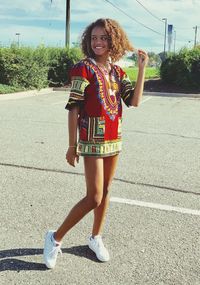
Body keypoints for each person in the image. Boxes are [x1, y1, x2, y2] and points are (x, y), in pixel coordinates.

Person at [43, 18, 148, 269]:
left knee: (107, 191)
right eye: (94, 38)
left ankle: (95, 237)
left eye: (103, 38)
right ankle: (55, 238)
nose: (98, 42)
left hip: (114, 137)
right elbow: (73, 109)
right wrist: (72, 145)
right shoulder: (83, 69)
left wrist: (142, 68)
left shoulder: (117, 72)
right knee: (94, 197)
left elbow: (133, 102)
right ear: (88, 42)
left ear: (113, 41)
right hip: (91, 139)